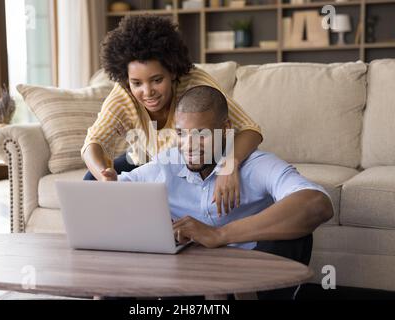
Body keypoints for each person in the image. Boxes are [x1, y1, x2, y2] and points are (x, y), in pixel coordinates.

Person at [102, 85, 334, 300]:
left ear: (225, 129)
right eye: (182, 133)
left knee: (296, 235)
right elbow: (114, 194)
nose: (189, 145)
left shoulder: (257, 165)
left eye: (201, 134)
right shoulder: (167, 164)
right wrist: (109, 186)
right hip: (194, 282)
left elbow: (317, 204)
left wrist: (219, 234)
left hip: (255, 277)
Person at [82, 15, 263, 216]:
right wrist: (104, 176)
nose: (147, 91)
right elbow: (93, 142)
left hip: (186, 161)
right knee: (91, 179)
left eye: (157, 80)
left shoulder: (195, 83)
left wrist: (228, 166)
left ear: (173, 71)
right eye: (137, 83)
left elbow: (251, 130)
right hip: (143, 160)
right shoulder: (123, 93)